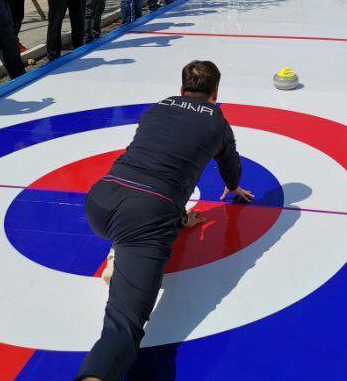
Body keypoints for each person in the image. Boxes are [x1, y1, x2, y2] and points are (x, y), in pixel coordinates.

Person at [74, 60, 253, 381]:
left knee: (151, 207)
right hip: (145, 216)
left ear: (181, 90)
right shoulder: (218, 121)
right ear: (215, 93)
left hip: (100, 199)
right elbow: (229, 163)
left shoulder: (158, 108)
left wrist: (178, 217)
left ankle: (124, 246)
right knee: (123, 324)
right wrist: (233, 184)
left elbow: (157, 155)